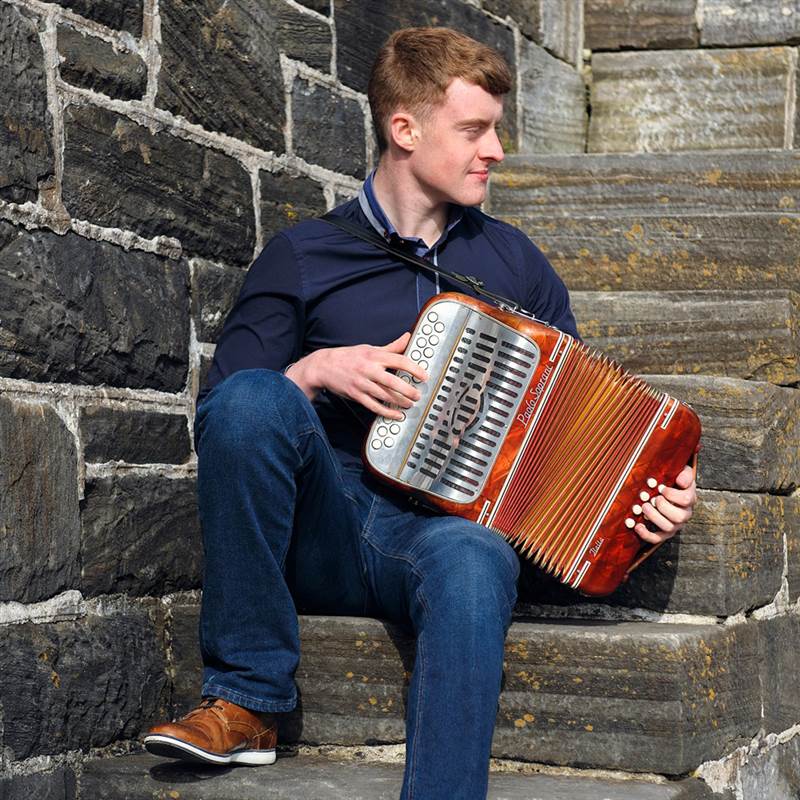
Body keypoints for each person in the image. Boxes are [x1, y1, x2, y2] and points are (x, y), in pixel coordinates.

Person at [143, 26, 697, 799]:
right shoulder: (304, 256)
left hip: (443, 535)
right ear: (404, 128)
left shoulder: (514, 263)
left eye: (495, 129)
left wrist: (648, 496)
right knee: (254, 396)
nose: (495, 150)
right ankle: (245, 700)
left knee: (472, 557)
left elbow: (583, 430)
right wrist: (314, 370)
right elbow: (225, 420)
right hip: (328, 524)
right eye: (474, 129)